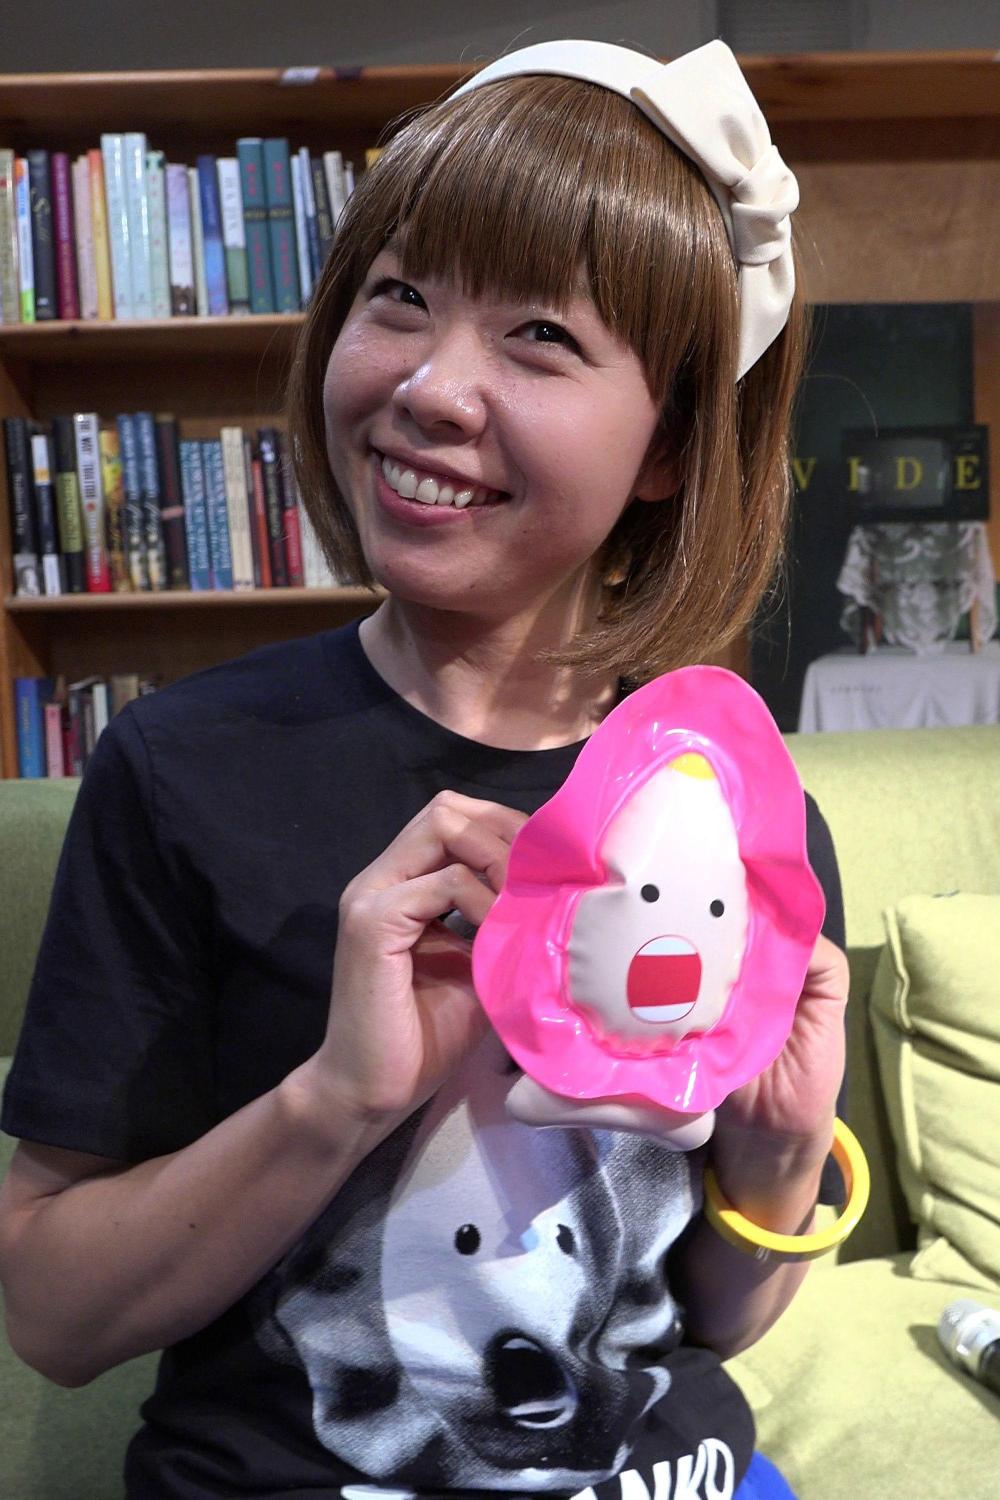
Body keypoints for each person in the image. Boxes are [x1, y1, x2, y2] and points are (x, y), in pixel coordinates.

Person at [0, 39, 848, 1500]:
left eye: (540, 336)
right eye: (398, 298)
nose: (433, 387)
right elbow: (51, 1315)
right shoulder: (184, 770)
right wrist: (338, 1097)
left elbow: (710, 1320)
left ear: (667, 445)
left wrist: (776, 1159)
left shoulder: (730, 815)